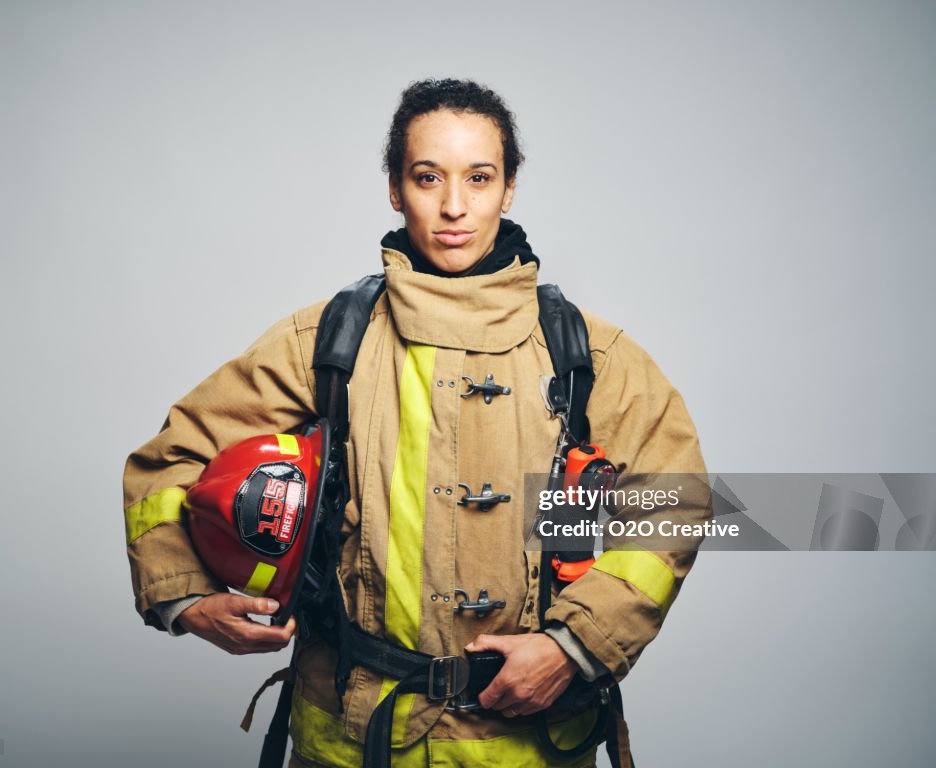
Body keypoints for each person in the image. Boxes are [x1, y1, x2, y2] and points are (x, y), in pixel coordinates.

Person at [123, 78, 709, 767]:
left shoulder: (589, 353)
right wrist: (182, 597)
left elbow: (677, 504)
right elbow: (171, 461)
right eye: (427, 178)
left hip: (535, 746)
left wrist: (574, 646)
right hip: (350, 739)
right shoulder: (326, 341)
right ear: (396, 190)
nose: (454, 206)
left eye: (480, 178)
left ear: (510, 188)